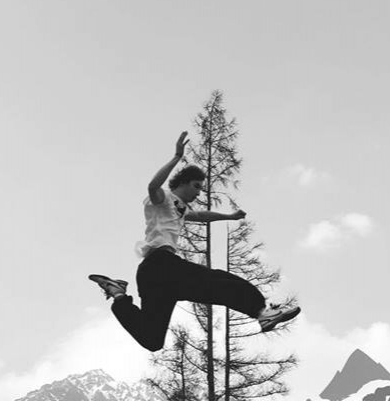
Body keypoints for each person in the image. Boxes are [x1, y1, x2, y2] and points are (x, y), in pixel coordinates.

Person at [89, 131, 300, 352]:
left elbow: (200, 216)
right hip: (161, 264)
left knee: (152, 339)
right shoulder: (162, 199)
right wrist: (176, 157)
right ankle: (261, 311)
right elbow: (152, 186)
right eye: (196, 186)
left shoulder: (180, 207)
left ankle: (119, 295)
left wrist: (229, 217)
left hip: (153, 277)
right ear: (183, 183)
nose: (199, 193)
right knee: (219, 281)